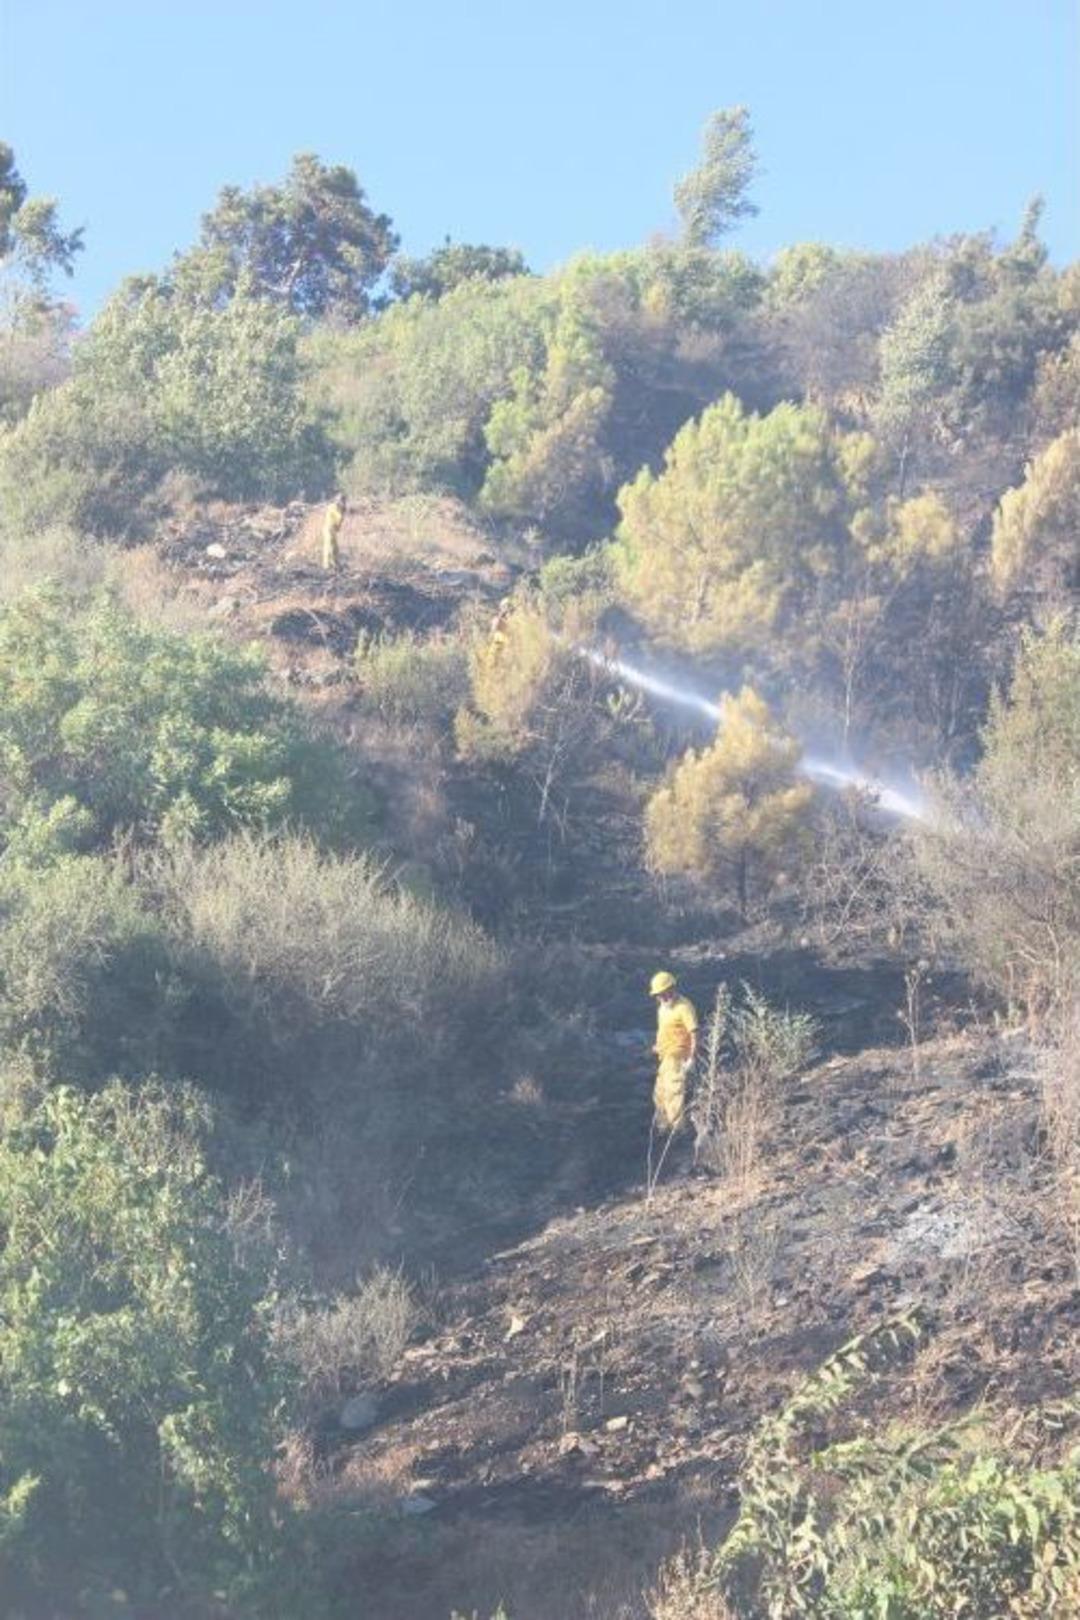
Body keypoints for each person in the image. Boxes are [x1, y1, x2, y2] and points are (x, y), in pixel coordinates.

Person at [648, 970, 698, 1132]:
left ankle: (677, 1131)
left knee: (674, 1094)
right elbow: (664, 1030)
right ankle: (663, 1129)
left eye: (664, 993)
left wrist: (692, 1057)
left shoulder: (684, 1007)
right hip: (665, 1056)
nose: (662, 997)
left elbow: (694, 1033)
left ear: (672, 988)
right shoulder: (662, 1009)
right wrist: (658, 1047)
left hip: (677, 1056)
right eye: (659, 995)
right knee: (660, 1094)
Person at [322, 492, 347, 572]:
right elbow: (339, 517)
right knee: (328, 545)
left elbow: (339, 521)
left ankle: (335, 563)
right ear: (337, 500)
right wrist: (343, 511)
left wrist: (338, 527)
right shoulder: (333, 506)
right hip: (328, 528)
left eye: (343, 500)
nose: (342, 502)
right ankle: (326, 565)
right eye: (341, 500)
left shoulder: (340, 508)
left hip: (333, 529)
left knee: (335, 547)